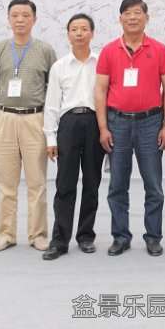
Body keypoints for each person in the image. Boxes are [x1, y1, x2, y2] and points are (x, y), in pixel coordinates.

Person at [94, 0, 165, 257]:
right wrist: (103, 128)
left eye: (138, 12)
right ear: (120, 18)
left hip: (151, 122)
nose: (132, 17)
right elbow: (100, 90)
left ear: (146, 18)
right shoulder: (109, 51)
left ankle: (153, 237)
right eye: (127, 13)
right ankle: (120, 236)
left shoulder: (159, 49)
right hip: (117, 123)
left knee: (154, 185)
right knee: (117, 184)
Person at [0, 0, 57, 252]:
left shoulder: (45, 50)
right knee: (6, 183)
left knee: (37, 182)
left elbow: (53, 89)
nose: (20, 20)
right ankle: (5, 234)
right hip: (5, 119)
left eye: (26, 15)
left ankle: (38, 235)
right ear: (8, 19)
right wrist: (8, 106)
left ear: (34, 19)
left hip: (35, 119)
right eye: (15, 15)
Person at [41, 14, 105, 260]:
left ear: (92, 33)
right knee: (65, 184)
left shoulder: (101, 63)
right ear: (68, 34)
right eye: (74, 29)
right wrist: (51, 138)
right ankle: (60, 240)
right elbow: (51, 105)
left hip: (94, 123)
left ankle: (86, 236)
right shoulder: (60, 66)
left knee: (92, 182)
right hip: (68, 124)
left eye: (84, 29)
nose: (79, 33)